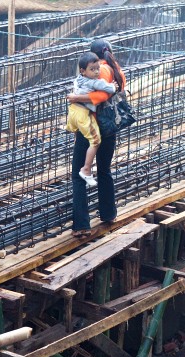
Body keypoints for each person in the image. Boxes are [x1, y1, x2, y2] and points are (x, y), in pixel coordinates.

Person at [67, 39, 126, 238]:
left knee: (78, 175)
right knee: (104, 170)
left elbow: (101, 96)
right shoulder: (116, 69)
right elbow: (116, 90)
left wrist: (76, 98)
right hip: (109, 127)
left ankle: (81, 225)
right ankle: (109, 214)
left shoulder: (99, 69)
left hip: (91, 127)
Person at [66, 51, 116, 187]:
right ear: (83, 70)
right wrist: (113, 86)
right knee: (95, 140)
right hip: (85, 115)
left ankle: (84, 169)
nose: (96, 72)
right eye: (93, 69)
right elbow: (107, 90)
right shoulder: (96, 81)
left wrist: (76, 97)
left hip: (73, 112)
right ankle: (86, 169)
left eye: (97, 69)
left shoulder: (78, 78)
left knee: (79, 140)